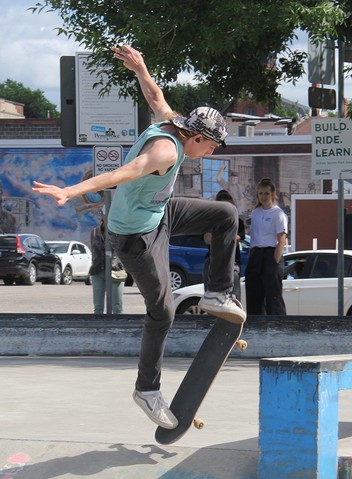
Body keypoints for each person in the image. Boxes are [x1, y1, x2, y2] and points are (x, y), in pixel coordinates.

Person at [32, 44, 245, 431]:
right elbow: (122, 173)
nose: (212, 150)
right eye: (212, 144)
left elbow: (155, 96)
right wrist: (71, 191)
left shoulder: (174, 121)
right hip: (134, 236)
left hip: (160, 214)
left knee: (226, 214)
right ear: (195, 138)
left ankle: (217, 291)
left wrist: (141, 67)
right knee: (161, 311)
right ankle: (147, 389)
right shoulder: (165, 150)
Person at [245, 178, 288, 315]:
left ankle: (277, 325)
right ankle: (255, 323)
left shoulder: (278, 214)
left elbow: (281, 239)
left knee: (273, 295)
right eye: (261, 193)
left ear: (273, 194)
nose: (263, 196)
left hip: (271, 253)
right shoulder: (256, 212)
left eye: (266, 193)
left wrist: (275, 261)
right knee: (253, 293)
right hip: (256, 254)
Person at [203, 190, 245, 300]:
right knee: (211, 298)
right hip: (213, 261)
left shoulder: (238, 222)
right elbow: (207, 239)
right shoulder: (211, 222)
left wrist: (222, 237)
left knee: (234, 299)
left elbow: (237, 238)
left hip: (232, 262)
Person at [89, 212, 125, 314]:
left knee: (117, 306)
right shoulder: (95, 232)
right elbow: (93, 250)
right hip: (98, 271)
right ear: (102, 216)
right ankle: (98, 328)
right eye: (106, 214)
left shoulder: (120, 230)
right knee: (98, 306)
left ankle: (118, 329)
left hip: (116, 270)